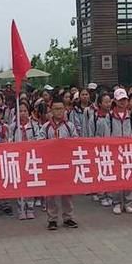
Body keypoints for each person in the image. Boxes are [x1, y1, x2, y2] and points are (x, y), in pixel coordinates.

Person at [38, 96, 79, 230]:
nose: (59, 112)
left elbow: (76, 142)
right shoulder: (45, 127)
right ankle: (52, 219)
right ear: (51, 110)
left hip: (66, 163)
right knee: (51, 194)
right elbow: (39, 143)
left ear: (65, 109)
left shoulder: (69, 126)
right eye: (56, 109)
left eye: (61, 109)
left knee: (67, 193)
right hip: (50, 164)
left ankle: (68, 218)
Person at [9, 101, 41, 220]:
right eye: (20, 111)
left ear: (29, 112)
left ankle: (30, 207)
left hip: (31, 158)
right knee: (20, 183)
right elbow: (10, 141)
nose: (22, 113)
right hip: (18, 159)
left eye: (25, 111)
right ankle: (21, 208)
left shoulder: (34, 126)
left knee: (30, 183)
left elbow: (38, 139)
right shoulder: (13, 127)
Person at [109, 88, 132, 215]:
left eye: (124, 99)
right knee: (116, 176)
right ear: (115, 100)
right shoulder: (109, 116)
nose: (122, 102)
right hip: (114, 150)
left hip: (128, 150)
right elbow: (106, 134)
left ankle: (128, 203)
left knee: (128, 176)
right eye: (120, 100)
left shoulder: (131, 116)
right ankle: (116, 202)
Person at [87, 92, 113, 207]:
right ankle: (101, 194)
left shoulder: (112, 116)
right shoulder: (94, 118)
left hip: (111, 148)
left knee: (110, 171)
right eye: (105, 102)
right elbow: (90, 134)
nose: (108, 104)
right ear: (100, 104)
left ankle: (110, 194)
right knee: (100, 171)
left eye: (109, 101)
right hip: (99, 149)